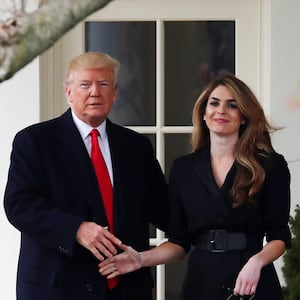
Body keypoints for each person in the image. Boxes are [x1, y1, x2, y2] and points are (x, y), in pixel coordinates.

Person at [99, 73, 291, 300]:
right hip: (201, 282)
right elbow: (179, 242)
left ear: (243, 117)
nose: (221, 111)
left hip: (251, 281)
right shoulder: (184, 169)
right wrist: (142, 259)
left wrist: (257, 262)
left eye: (232, 105)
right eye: (214, 103)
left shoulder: (268, 165)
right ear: (204, 112)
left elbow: (280, 236)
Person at [4, 52, 169, 300]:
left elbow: (164, 210)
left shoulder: (136, 146)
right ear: (68, 92)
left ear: (114, 92)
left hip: (126, 288)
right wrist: (76, 229)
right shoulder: (34, 141)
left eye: (103, 84)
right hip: (57, 287)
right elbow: (19, 206)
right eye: (85, 85)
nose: (95, 92)